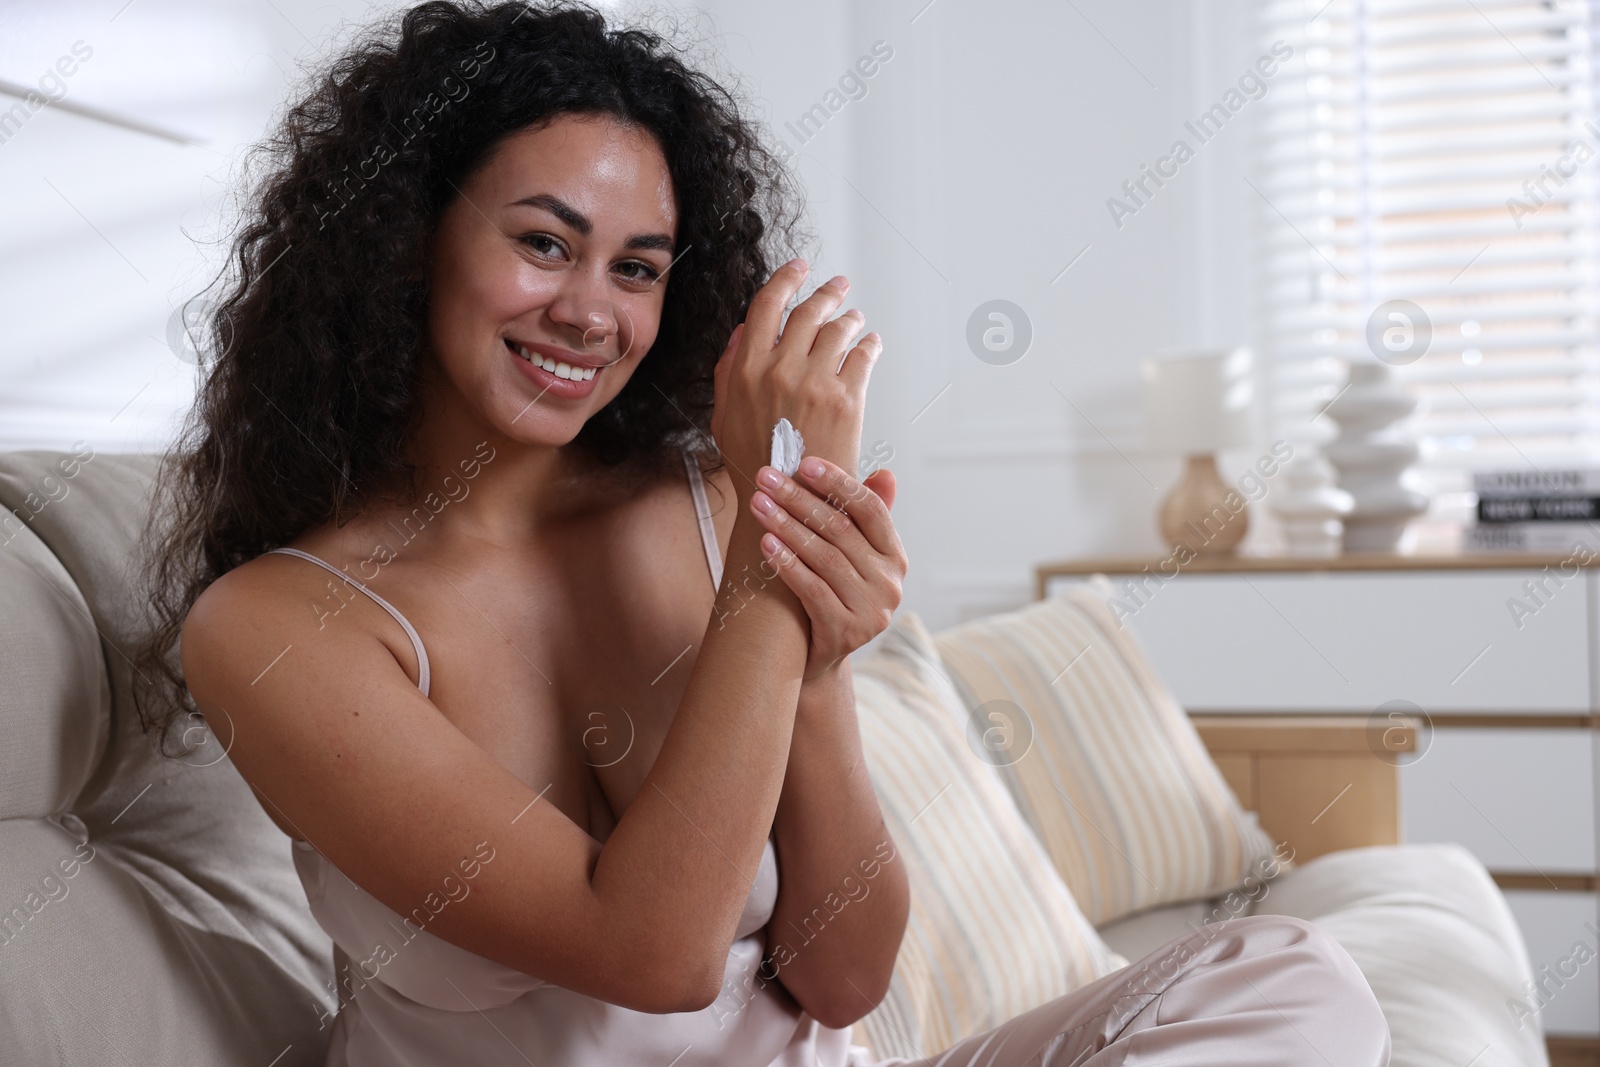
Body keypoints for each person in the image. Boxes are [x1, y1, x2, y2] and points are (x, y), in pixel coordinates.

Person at [135, 3, 1393, 1064]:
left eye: (638, 268)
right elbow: (658, 953)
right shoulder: (276, 625)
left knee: (1296, 977)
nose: (589, 311)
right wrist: (763, 584)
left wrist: (821, 667)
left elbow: (842, 978)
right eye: (541, 243)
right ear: (407, 240)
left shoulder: (703, 502)